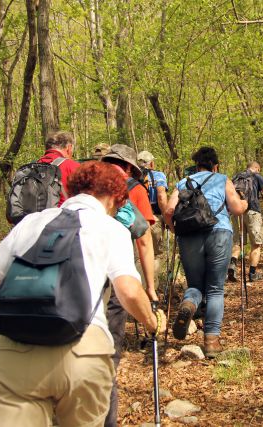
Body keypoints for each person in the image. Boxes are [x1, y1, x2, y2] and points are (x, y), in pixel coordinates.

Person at [0, 161, 163, 426]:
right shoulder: (112, 229)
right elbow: (129, 292)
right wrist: (152, 322)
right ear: (113, 198)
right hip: (81, 352)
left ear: (73, 190)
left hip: (11, 345)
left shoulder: (31, 222)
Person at [164, 147, 247, 357]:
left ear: (196, 165)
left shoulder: (184, 182)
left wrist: (176, 231)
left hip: (189, 236)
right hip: (219, 233)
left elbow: (169, 211)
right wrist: (245, 203)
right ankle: (211, 341)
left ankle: (190, 303)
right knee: (215, 289)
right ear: (215, 165)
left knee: (195, 284)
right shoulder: (222, 179)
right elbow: (236, 208)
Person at [101, 144, 158, 427]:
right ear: (129, 167)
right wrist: (149, 287)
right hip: (115, 273)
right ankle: (105, 418)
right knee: (107, 352)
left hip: (68, 277)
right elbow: (144, 239)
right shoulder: (132, 187)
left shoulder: (81, 178)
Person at [228, 161, 263, 282]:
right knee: (256, 244)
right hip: (253, 211)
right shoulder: (257, 176)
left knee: (238, 242)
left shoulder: (236, 176)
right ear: (257, 168)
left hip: (236, 212)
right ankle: (252, 274)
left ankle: (232, 264)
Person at [137, 150, 169, 259]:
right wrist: (166, 217)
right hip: (154, 218)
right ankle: (153, 275)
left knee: (139, 255)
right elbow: (161, 196)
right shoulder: (158, 175)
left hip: (136, 219)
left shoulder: (132, 177)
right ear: (151, 163)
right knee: (155, 255)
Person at [37, 131, 81, 205]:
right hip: (64, 215)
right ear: (69, 148)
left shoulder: (32, 167)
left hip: (33, 216)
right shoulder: (74, 167)